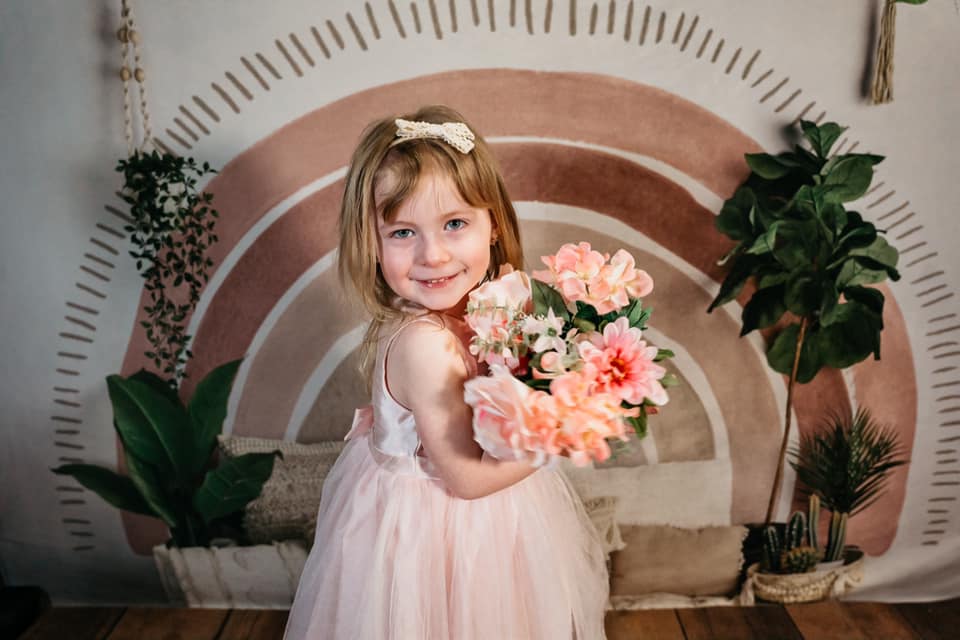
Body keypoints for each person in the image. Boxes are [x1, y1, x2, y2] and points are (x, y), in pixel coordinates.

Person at [283, 105, 609, 639]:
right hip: (433, 541)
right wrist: (567, 427)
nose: (433, 255)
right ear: (370, 241)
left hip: (481, 531)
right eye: (403, 232)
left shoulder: (479, 313)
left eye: (455, 223)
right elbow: (467, 478)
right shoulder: (424, 344)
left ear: (494, 225)